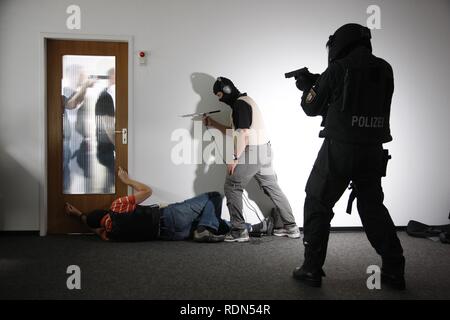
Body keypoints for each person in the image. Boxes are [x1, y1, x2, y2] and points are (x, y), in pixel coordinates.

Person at [291, 23, 405, 289]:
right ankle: (394, 268)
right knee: (372, 207)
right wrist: (323, 82)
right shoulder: (384, 68)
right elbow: (354, 101)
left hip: (340, 150)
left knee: (318, 202)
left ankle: (311, 268)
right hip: (373, 151)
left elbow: (311, 107)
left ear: (340, 43)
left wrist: (310, 86)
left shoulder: (338, 69)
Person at [203, 77, 299, 242]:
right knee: (272, 188)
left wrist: (234, 158)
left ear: (226, 91)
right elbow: (237, 130)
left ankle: (238, 231)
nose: (219, 99)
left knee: (232, 185)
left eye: (219, 95)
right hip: (264, 150)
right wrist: (213, 123)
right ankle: (291, 227)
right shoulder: (245, 101)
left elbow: (243, 134)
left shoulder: (240, 105)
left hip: (254, 151)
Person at [66, 167, 269, 242]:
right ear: (102, 212)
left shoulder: (107, 235)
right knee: (214, 197)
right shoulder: (116, 206)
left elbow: (94, 228)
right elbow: (147, 191)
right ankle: (204, 229)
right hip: (170, 216)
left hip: (170, 236)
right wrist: (127, 181)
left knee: (211, 219)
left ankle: (251, 228)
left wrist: (79, 216)